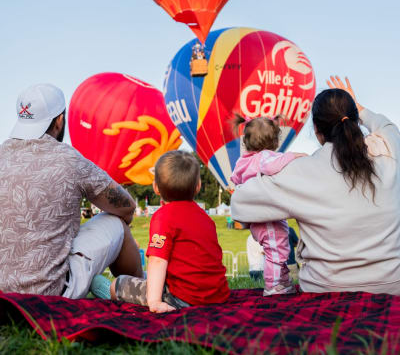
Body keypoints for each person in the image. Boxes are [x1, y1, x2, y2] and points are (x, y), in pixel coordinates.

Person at [231, 76, 400, 295]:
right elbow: (387, 127)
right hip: (393, 285)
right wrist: (359, 109)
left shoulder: (300, 171)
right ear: (354, 121)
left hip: (326, 289)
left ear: (317, 131)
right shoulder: (389, 149)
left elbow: (239, 203)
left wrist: (251, 159)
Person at [0, 83, 143, 298]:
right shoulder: (69, 158)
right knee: (117, 223)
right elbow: (126, 207)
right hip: (52, 292)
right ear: (59, 120)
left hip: (3, 292)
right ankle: (142, 288)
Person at [109, 151, 231, 312]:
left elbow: (158, 260)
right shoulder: (206, 218)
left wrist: (154, 301)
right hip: (217, 295)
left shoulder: (163, 217)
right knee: (146, 277)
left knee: (116, 284)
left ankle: (103, 289)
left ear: (155, 188)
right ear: (198, 186)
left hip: (182, 298)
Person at [230, 114, 305, 295]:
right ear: (274, 141)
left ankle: (283, 280)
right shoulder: (265, 157)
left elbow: (234, 179)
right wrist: (294, 156)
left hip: (256, 218)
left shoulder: (242, 161)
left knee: (277, 247)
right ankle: (274, 285)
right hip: (267, 215)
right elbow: (271, 166)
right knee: (277, 249)